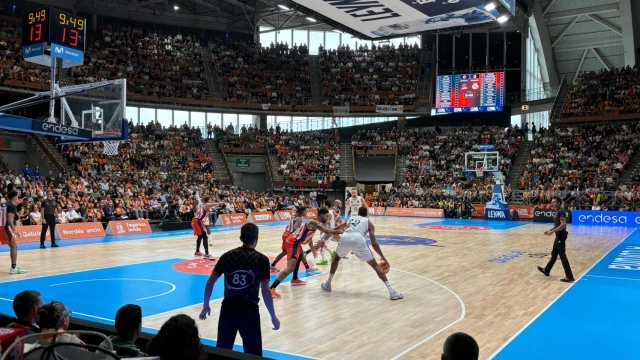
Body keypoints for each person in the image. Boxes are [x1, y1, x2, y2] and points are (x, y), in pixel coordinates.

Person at [199, 223, 279, 356]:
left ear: (240, 238)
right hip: (249, 312)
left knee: (222, 353)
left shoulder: (227, 256)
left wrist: (206, 305)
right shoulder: (262, 260)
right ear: (256, 238)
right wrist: (273, 316)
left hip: (228, 311)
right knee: (253, 354)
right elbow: (265, 291)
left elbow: (209, 282)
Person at [320, 206, 403, 300]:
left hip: (345, 236)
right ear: (367, 214)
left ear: (358, 213)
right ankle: (392, 292)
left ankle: (328, 284)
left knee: (336, 259)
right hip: (358, 239)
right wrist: (382, 256)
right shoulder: (368, 223)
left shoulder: (351, 219)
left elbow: (335, 229)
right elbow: (374, 243)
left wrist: (323, 240)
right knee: (375, 265)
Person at [270, 208, 343, 298]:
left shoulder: (314, 223)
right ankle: (271, 288)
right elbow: (327, 231)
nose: (327, 218)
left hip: (296, 241)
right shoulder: (313, 222)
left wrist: (312, 248)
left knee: (300, 257)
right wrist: (342, 231)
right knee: (290, 268)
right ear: (321, 214)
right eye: (326, 216)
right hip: (293, 242)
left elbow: (309, 237)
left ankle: (295, 279)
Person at [538, 196, 575, 282]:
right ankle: (546, 270)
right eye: (552, 201)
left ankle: (569, 276)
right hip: (558, 236)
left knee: (562, 255)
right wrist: (550, 230)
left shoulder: (561, 212)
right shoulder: (557, 212)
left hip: (561, 236)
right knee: (554, 254)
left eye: (554, 202)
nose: (552, 203)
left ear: (559, 203)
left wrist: (552, 232)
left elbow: (563, 224)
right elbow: (557, 225)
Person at [270, 207, 316, 273]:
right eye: (306, 211)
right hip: (290, 236)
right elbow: (295, 230)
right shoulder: (299, 218)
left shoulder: (294, 215)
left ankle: (273, 265)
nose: (307, 213)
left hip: (286, 233)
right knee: (300, 251)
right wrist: (302, 234)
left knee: (285, 252)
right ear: (302, 211)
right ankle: (307, 268)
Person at [1, 190, 26, 274]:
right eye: (17, 196)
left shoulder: (3, 204)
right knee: (14, 246)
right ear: (15, 197)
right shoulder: (11, 206)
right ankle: (13, 268)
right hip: (3, 228)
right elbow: (9, 218)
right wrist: (14, 230)